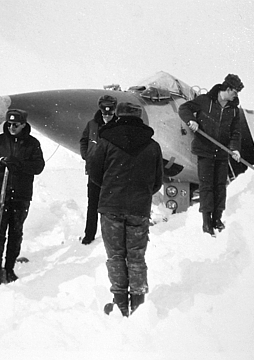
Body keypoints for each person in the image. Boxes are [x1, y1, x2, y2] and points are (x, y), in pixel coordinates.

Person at [88, 102, 163, 316]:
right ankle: (139, 304)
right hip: (139, 208)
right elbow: (157, 181)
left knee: (116, 256)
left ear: (119, 116)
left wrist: (111, 187)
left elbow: (94, 173)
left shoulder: (104, 142)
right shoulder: (153, 146)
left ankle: (121, 303)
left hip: (111, 206)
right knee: (136, 256)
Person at [0, 109, 45, 283]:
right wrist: (0, 161)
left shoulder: (32, 144)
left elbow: (38, 166)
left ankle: (9, 268)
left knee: (15, 233)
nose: (11, 127)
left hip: (20, 195)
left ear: (24, 124)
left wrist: (20, 165)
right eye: (9, 124)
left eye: (15, 125)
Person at [178, 74, 243, 236]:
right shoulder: (205, 101)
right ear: (227, 89)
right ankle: (206, 222)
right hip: (205, 150)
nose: (236, 95)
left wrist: (235, 149)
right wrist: (190, 121)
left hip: (222, 153)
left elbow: (236, 132)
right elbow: (184, 108)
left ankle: (217, 219)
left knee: (220, 187)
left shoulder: (233, 110)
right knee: (206, 186)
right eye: (235, 92)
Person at [79, 95, 118, 245]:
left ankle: (111, 234)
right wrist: (87, 156)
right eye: (104, 113)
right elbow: (84, 141)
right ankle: (89, 234)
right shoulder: (92, 125)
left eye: (110, 113)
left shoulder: (118, 126)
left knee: (111, 205)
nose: (107, 116)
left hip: (112, 172)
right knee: (93, 204)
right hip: (94, 172)